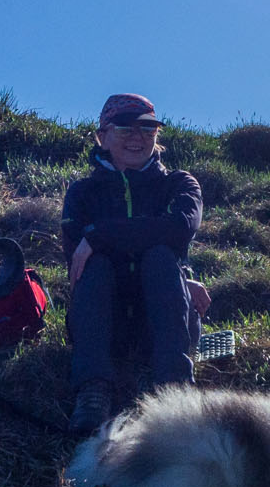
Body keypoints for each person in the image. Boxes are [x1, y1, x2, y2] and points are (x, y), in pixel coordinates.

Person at [61, 93, 204, 434]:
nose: (137, 137)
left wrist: (99, 235)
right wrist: (109, 240)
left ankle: (175, 389)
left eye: (147, 128)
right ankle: (93, 390)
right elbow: (78, 259)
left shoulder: (180, 184)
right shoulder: (82, 193)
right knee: (96, 267)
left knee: (159, 258)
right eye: (124, 128)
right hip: (104, 329)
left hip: (167, 323)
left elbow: (180, 227)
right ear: (102, 137)